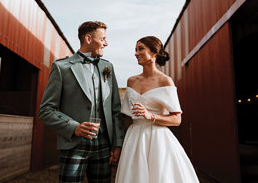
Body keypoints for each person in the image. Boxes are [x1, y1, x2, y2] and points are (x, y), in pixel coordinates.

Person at [38, 21, 125, 183]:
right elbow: (45, 110)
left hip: (103, 144)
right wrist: (74, 127)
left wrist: (117, 144)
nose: (106, 43)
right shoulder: (62, 67)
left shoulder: (108, 68)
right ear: (88, 38)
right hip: (73, 144)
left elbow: (115, 110)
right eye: (103, 38)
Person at [115, 36, 200, 183]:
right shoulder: (131, 81)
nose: (136, 53)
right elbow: (127, 118)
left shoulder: (165, 81)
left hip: (158, 139)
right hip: (133, 139)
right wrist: (121, 145)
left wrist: (151, 116)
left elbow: (177, 119)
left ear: (154, 52)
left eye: (141, 48)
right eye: (135, 49)